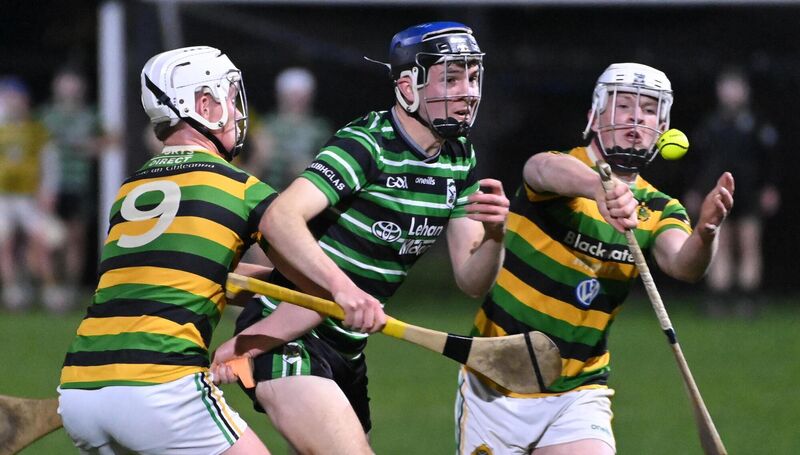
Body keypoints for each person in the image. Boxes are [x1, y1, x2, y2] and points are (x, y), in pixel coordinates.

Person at [211, 22, 509, 454]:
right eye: (451, 77)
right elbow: (280, 218)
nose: (468, 91)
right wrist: (342, 288)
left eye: (473, 76)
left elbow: (470, 278)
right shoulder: (368, 144)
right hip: (286, 330)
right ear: (409, 85)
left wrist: (496, 234)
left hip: (348, 348)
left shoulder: (460, 158)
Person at [454, 63, 735, 454]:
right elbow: (538, 169)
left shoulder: (658, 207)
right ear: (594, 116)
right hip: (497, 382)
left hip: (578, 389)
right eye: (623, 105)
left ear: (664, 125)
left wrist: (706, 232)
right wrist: (599, 188)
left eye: (650, 108)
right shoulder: (563, 170)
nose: (637, 116)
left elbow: (684, 265)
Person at [58, 46, 273, 454]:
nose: (236, 107)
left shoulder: (129, 189)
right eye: (227, 96)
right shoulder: (239, 187)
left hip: (79, 388)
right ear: (204, 104)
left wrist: (260, 285)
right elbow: (312, 277)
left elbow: (181, 278)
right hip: (160, 385)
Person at [686, 67, 780, 318]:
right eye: (726, 87)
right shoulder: (711, 125)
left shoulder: (757, 124)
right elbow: (699, 163)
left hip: (749, 192)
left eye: (735, 87)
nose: (731, 92)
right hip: (717, 192)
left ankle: (747, 301)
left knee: (749, 244)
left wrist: (769, 188)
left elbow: (770, 160)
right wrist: (695, 191)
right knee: (720, 244)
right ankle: (718, 301)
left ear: (745, 91)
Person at [38, 67, 105, 312]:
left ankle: (71, 287)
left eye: (74, 85)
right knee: (48, 240)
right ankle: (50, 288)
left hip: (79, 185)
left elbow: (110, 141)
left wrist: (89, 146)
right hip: (50, 187)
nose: (70, 90)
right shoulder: (46, 116)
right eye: (66, 85)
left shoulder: (90, 116)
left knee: (75, 239)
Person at [0, 76, 59, 311]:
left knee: (41, 242)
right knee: (5, 243)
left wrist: (48, 190)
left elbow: (50, 161)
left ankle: (50, 290)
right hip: (3, 196)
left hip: (29, 197)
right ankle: (12, 291)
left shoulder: (37, 130)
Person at [246, 67, 332, 191]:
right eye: (291, 94)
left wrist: (311, 170)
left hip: (302, 194)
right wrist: (260, 157)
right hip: (266, 192)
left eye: (301, 95)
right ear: (280, 95)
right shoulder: (265, 125)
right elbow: (250, 171)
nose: (296, 100)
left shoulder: (319, 129)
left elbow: (330, 172)